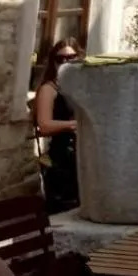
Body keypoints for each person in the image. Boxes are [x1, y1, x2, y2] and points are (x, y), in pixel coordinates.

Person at [34, 39, 82, 210]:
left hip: (82, 152)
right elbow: (44, 125)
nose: (65, 63)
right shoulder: (49, 88)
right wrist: (74, 124)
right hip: (63, 155)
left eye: (71, 58)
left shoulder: (80, 86)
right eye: (60, 59)